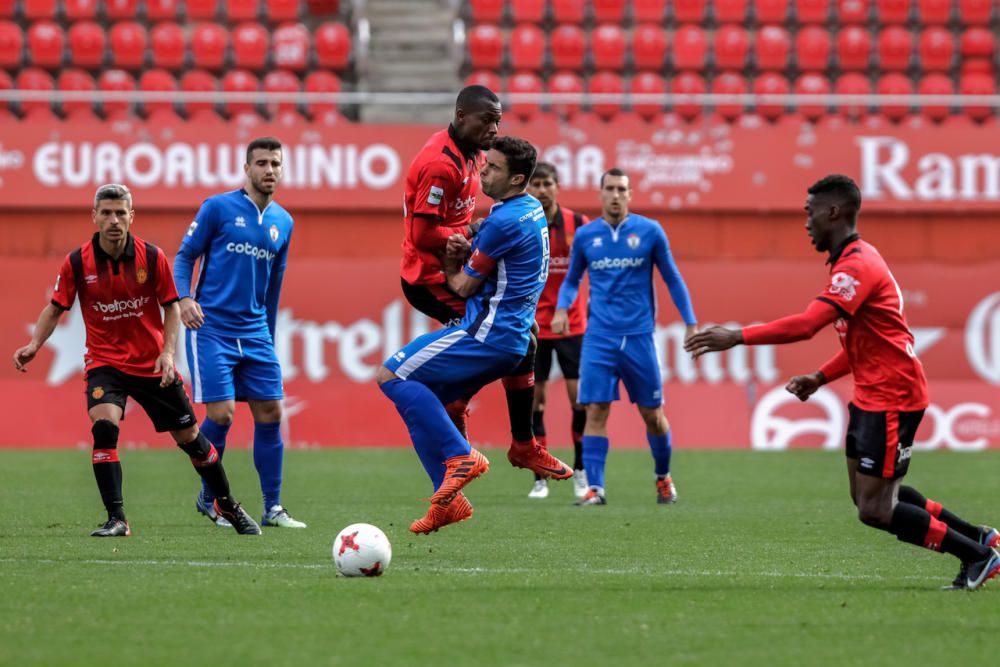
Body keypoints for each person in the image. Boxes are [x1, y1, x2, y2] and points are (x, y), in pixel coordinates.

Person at [684, 174, 1000, 590]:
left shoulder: (857, 265)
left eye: (809, 212)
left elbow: (806, 325)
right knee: (866, 496)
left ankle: (977, 556)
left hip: (894, 396)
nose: (805, 222)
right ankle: (979, 537)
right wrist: (820, 377)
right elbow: (864, 344)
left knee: (875, 508)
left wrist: (737, 336)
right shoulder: (850, 261)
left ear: (833, 211)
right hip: (870, 394)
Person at [12, 184, 261, 537]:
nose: (114, 220)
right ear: (94, 217)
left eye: (120, 213)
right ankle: (117, 519)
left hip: (151, 364)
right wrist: (35, 344)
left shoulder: (152, 257)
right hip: (105, 363)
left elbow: (171, 307)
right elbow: (55, 308)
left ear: (131, 215)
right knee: (104, 427)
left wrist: (168, 353)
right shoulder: (77, 262)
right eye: (106, 213)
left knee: (191, 439)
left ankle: (227, 503)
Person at [378, 136, 560, 534]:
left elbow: (461, 286)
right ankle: (448, 501)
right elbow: (495, 238)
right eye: (484, 163)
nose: (483, 171)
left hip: (486, 334)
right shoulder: (529, 208)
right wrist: (475, 231)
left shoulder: (503, 221)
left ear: (516, 179)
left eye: (493, 167)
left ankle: (462, 455)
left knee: (391, 376)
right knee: (422, 406)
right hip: (512, 337)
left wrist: (450, 261)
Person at [399, 85, 572, 481]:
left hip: (455, 266)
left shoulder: (476, 153)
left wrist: (476, 231)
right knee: (514, 339)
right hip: (430, 277)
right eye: (488, 120)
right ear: (462, 116)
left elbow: (464, 219)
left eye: (498, 120)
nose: (494, 128)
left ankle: (499, 433)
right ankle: (500, 441)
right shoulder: (440, 163)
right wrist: (467, 236)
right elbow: (423, 235)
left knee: (522, 336)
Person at [173, 136, 305, 529]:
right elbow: (184, 256)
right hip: (212, 327)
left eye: (275, 164)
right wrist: (184, 298)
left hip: (256, 332)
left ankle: (273, 508)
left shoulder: (284, 222)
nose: (269, 170)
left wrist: (270, 336)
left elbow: (274, 287)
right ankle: (210, 496)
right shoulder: (218, 207)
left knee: (271, 411)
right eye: (261, 163)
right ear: (247, 168)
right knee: (222, 413)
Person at [553, 168, 698, 507]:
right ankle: (596, 489)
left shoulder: (650, 231)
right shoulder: (587, 236)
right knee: (595, 410)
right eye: (610, 189)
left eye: (621, 189)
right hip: (599, 338)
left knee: (653, 416)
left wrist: (690, 322)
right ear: (601, 193)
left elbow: (672, 278)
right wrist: (561, 309)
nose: (615, 195)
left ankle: (663, 477)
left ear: (630, 195)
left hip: (638, 338)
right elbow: (572, 280)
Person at [524, 162, 590, 500]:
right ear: (528, 188)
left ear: (557, 187)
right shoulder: (523, 223)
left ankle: (580, 470)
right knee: (535, 401)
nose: (542, 190)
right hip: (533, 326)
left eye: (547, 183)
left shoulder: (578, 224)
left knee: (580, 400)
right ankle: (541, 477)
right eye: (536, 184)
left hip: (571, 325)